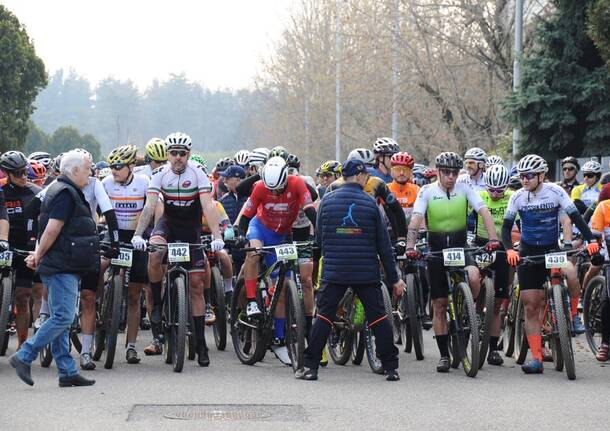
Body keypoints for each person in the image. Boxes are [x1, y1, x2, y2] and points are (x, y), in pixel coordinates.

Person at [297, 159, 405, 381]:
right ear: (359, 176)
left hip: (335, 270)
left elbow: (319, 240)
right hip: (366, 272)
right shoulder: (369, 203)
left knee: (324, 317)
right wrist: (395, 279)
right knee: (377, 318)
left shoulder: (327, 201)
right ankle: (391, 368)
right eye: (365, 175)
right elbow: (383, 246)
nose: (366, 178)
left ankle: (311, 367)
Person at [131, 132, 224, 367]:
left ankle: (201, 343)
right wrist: (138, 234)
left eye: (182, 153)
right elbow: (150, 207)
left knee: (195, 287)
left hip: (191, 228)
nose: (178, 158)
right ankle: (158, 305)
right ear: (168, 155)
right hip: (168, 224)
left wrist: (217, 236)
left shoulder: (198, 173)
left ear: (188, 154)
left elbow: (208, 206)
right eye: (174, 153)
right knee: (155, 253)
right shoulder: (160, 175)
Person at [502, 154, 600, 374]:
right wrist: (509, 249)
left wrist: (591, 240)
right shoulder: (517, 196)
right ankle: (536, 357)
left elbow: (576, 218)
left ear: (541, 175)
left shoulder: (555, 192)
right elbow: (506, 227)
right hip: (528, 251)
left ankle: (573, 316)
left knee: (572, 273)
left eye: (529, 176)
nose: (524, 179)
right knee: (531, 305)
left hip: (551, 249)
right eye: (521, 176)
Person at [405, 151, 501, 373]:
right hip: (437, 251)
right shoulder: (427, 191)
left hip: (460, 248)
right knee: (439, 306)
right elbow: (416, 219)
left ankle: (471, 311)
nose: (451, 177)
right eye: (446, 172)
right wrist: (410, 246)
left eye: (455, 173)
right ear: (438, 172)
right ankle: (444, 355)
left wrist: (493, 238)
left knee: (475, 276)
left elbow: (483, 210)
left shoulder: (465, 189)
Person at [9, 150, 98, 388]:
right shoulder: (65, 193)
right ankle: (24, 355)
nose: (90, 173)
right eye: (87, 169)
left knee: (61, 317)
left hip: (59, 262)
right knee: (63, 316)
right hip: (61, 264)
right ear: (75, 170)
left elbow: (43, 226)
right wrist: (38, 255)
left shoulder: (58, 189)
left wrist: (39, 255)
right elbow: (51, 228)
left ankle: (67, 371)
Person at [238, 156, 316, 362]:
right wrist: (240, 235)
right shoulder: (260, 187)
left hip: (282, 235)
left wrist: (320, 235)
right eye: (270, 189)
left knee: (284, 286)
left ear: (286, 178)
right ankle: (252, 300)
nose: (273, 193)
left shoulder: (297, 183)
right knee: (253, 253)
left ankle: (280, 339)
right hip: (260, 229)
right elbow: (246, 217)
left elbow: (310, 211)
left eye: (278, 189)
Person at [101, 145, 150, 364]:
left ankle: (131, 346)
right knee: (98, 267)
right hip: (113, 234)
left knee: (133, 295)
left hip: (136, 237)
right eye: (112, 166)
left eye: (118, 166)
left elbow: (151, 212)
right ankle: (98, 300)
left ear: (131, 166)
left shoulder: (143, 183)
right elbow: (95, 212)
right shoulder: (105, 184)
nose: (114, 170)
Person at [0, 151, 43, 348]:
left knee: (23, 296)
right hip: (4, 244)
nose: (24, 177)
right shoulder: (1, 191)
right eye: (18, 174)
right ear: (7, 174)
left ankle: (22, 343)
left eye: (25, 172)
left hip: (26, 247)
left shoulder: (34, 192)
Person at [474, 164, 513, 366]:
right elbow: (467, 219)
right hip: (482, 244)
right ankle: (474, 315)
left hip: (503, 247)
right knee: (477, 285)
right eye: (492, 190)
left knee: (497, 304)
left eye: (501, 190)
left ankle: (493, 349)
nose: (496, 194)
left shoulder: (513, 197)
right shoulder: (479, 195)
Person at [387, 152, 419, 224]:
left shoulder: (417, 190)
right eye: (398, 169)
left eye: (405, 170)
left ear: (411, 172)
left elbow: (421, 217)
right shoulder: (385, 189)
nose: (401, 173)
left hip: (410, 232)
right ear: (392, 171)